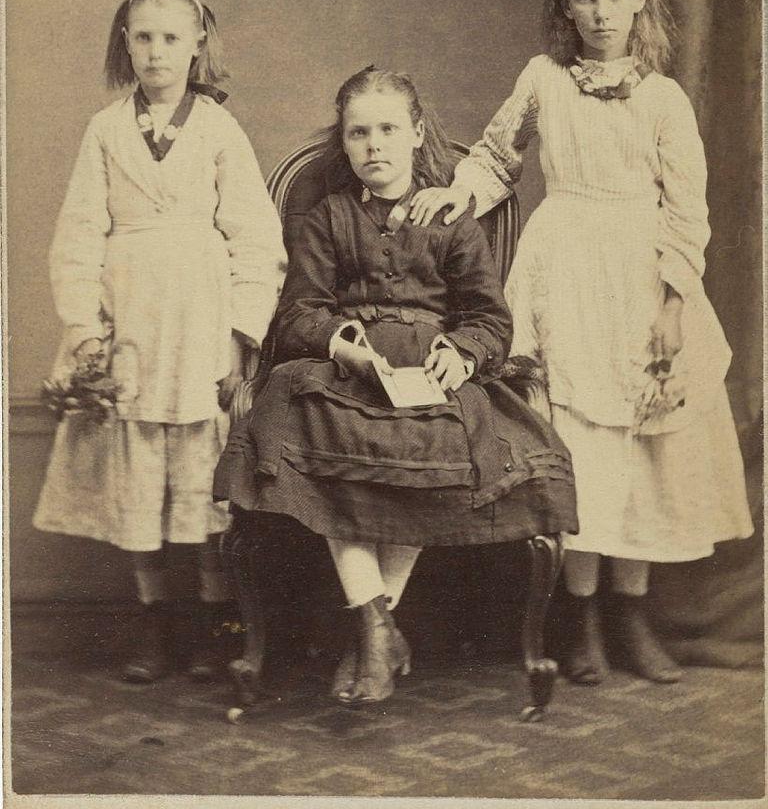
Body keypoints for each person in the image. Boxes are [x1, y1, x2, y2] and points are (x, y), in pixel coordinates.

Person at [410, 0, 753, 685]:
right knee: (581, 446)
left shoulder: (663, 98)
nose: (601, 12)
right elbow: (499, 157)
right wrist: (456, 192)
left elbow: (687, 209)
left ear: (639, 2)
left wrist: (672, 299)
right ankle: (583, 619)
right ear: (566, 6)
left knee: (640, 444)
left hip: (641, 277)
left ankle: (632, 617)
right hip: (564, 268)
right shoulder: (543, 78)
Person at [214, 65, 577, 705]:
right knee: (323, 439)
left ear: (416, 135)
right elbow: (297, 311)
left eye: (387, 130)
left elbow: (490, 319)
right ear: (345, 143)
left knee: (429, 453)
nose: (374, 146)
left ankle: (371, 632)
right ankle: (378, 627)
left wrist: (462, 354)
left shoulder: (451, 219)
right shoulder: (328, 217)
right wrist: (338, 342)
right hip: (345, 373)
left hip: (431, 374)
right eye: (359, 133)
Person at [35, 0, 286, 683]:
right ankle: (153, 618)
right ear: (125, 43)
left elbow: (254, 236)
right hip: (132, 320)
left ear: (198, 43)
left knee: (199, 471)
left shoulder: (216, 129)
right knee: (138, 465)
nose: (155, 52)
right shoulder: (105, 130)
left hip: (199, 321)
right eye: (142, 36)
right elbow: (79, 233)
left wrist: (243, 330)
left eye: (171, 37)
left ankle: (214, 618)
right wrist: (87, 327)